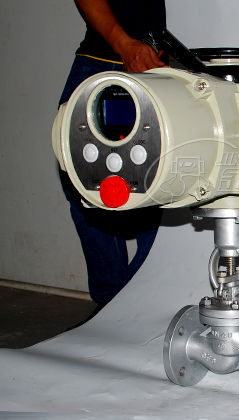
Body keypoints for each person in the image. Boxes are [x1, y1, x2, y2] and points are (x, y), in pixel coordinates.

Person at [58, 0, 166, 312]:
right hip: (103, 60)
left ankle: (135, 300)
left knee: (156, 184)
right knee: (83, 183)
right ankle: (111, 302)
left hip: (148, 64)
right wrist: (123, 44)